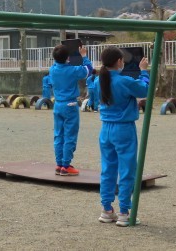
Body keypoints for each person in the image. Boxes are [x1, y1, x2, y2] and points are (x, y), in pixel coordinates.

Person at [96, 47, 149, 227]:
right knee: (127, 170)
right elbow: (144, 90)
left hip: (105, 129)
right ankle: (124, 212)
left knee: (107, 169)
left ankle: (106, 209)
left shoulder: (98, 81)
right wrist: (144, 72)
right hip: (123, 128)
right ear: (119, 61)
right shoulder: (124, 81)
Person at [49, 43, 92, 176]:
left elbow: (60, 62)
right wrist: (84, 56)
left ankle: (59, 164)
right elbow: (89, 69)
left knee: (58, 135)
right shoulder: (72, 70)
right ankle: (66, 166)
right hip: (70, 105)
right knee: (70, 136)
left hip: (58, 105)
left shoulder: (52, 69)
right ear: (68, 58)